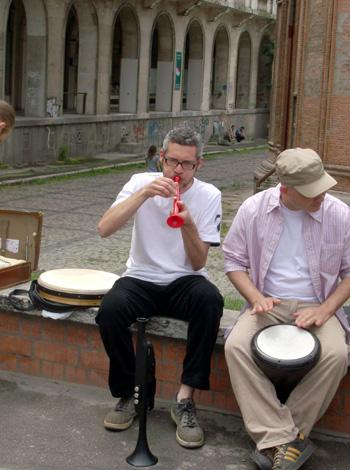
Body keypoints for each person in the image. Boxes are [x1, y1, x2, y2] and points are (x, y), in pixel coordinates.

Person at [223, 148, 350, 470]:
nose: (320, 196)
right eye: (310, 193)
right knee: (236, 346)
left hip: (318, 304)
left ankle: (277, 440)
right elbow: (234, 262)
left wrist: (325, 310)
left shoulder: (339, 214)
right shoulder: (254, 209)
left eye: (322, 187)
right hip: (268, 300)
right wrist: (255, 297)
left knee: (336, 355)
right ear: (284, 189)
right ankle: (287, 441)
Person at [96, 127, 223, 448]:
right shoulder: (139, 182)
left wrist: (189, 223)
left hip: (184, 280)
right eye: (171, 162)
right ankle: (130, 393)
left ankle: (184, 398)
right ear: (161, 158)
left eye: (186, 164)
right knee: (109, 312)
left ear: (199, 165)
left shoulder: (209, 195)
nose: (177, 171)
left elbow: (197, 263)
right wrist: (144, 195)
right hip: (141, 277)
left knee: (210, 301)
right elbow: (104, 229)